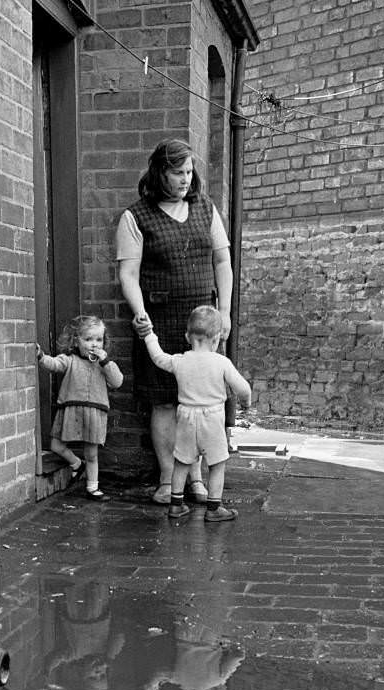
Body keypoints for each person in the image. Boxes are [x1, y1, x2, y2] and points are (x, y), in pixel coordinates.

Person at [116, 139, 234, 505]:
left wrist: (225, 312)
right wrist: (140, 314)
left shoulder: (206, 209)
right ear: (159, 173)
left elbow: (222, 262)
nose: (185, 179)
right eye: (177, 172)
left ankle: (195, 478)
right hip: (160, 320)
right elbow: (128, 274)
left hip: (202, 323)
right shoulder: (136, 216)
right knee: (165, 402)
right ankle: (169, 480)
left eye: (189, 172)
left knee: (201, 403)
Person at [143, 305, 252, 523]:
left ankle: (176, 505)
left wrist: (149, 335)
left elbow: (158, 357)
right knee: (217, 464)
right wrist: (246, 403)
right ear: (217, 338)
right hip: (212, 418)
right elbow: (243, 388)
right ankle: (214, 508)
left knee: (181, 462)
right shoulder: (221, 362)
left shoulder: (180, 361)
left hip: (186, 417)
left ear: (187, 336)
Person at [36, 314, 123, 502]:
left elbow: (117, 382)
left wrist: (106, 362)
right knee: (56, 445)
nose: (94, 344)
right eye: (88, 339)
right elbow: (54, 364)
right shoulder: (70, 359)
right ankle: (76, 464)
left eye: (99, 339)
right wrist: (41, 356)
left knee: (91, 453)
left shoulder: (104, 365)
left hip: (93, 412)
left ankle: (93, 487)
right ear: (77, 341)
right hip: (70, 410)